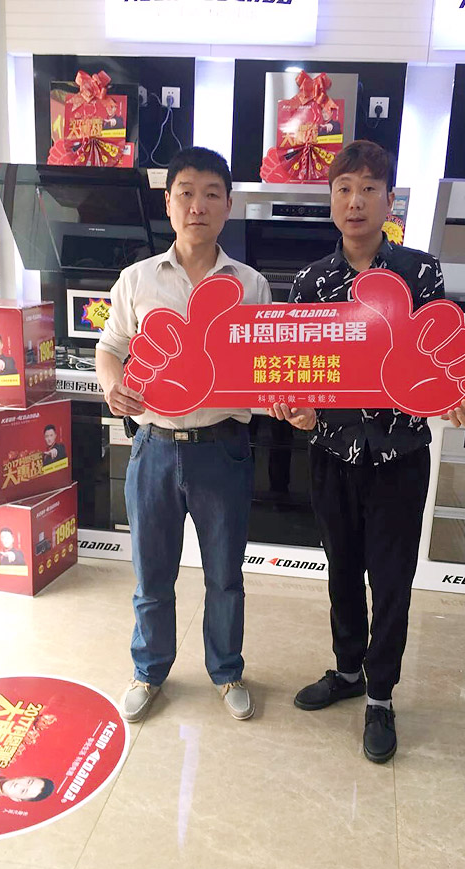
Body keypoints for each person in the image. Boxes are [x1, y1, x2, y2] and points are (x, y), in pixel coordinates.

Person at [270, 140, 465, 764]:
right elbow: (296, 371)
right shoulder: (311, 282)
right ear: (331, 200)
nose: (355, 200)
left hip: (399, 455)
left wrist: (451, 388)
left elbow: (438, 348)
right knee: (340, 568)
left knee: (390, 580)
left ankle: (381, 695)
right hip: (332, 452)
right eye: (344, 188)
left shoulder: (420, 272)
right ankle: (347, 670)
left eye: (368, 188)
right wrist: (295, 406)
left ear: (390, 201)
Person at [95, 147, 271, 724]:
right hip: (153, 447)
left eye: (211, 194)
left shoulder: (251, 285)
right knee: (152, 575)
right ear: (168, 203)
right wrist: (113, 385)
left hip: (223, 448)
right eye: (186, 193)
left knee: (225, 575)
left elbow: (266, 365)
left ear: (228, 206)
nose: (198, 205)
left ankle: (227, 670)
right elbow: (109, 347)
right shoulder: (137, 280)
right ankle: (149, 670)